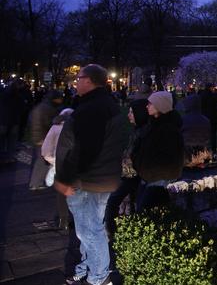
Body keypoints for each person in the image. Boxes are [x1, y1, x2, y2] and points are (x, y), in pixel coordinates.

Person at [54, 64, 128, 285]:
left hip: (88, 181)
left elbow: (84, 149)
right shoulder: (102, 104)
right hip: (98, 179)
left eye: (79, 77)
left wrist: (66, 179)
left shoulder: (93, 108)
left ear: (90, 80)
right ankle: (88, 267)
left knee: (90, 232)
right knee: (88, 230)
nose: (75, 81)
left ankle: (99, 277)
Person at [131, 91, 184, 212]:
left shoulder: (169, 130)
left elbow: (170, 158)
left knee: (145, 212)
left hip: (158, 180)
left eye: (150, 103)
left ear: (160, 106)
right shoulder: (152, 125)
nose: (146, 106)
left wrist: (149, 170)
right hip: (147, 177)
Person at [104, 100, 148, 239]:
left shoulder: (142, 132)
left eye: (131, 112)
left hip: (133, 175)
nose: (129, 115)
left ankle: (112, 231)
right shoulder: (136, 130)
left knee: (113, 201)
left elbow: (136, 155)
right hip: (129, 174)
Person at [40, 107, 74, 230]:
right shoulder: (78, 128)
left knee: (61, 193)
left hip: (60, 167)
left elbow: (45, 151)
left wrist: (55, 161)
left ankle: (63, 220)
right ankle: (75, 218)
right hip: (75, 166)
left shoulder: (55, 128)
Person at [200, 83, 217, 152]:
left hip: (204, 117)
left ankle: (204, 149)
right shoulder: (214, 96)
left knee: (204, 134)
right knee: (213, 134)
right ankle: (213, 149)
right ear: (210, 88)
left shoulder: (201, 95)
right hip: (212, 117)